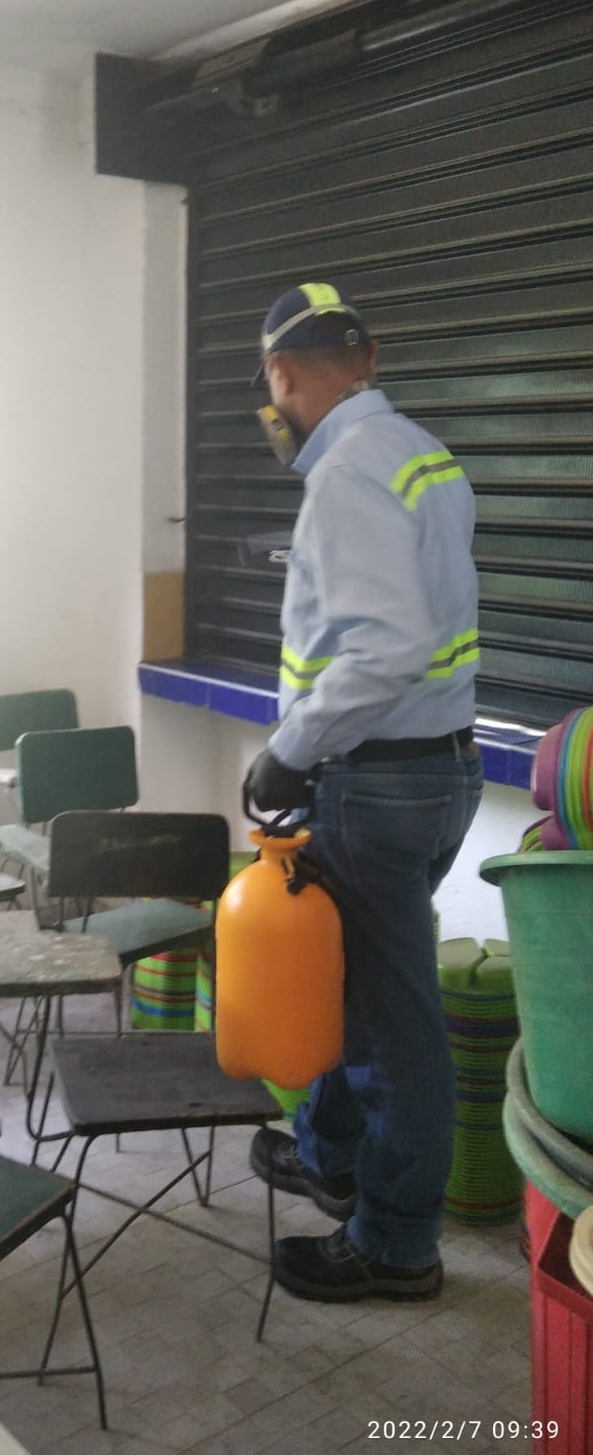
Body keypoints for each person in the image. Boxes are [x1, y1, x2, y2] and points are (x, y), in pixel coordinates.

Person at [244, 281, 483, 1303]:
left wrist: (288, 751)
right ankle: (328, 1153)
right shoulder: (423, 454)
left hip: (374, 782)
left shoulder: (344, 473)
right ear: (368, 358)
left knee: (392, 1025)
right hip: (440, 770)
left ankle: (395, 1244)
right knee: (352, 984)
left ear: (280, 375)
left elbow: (385, 648)